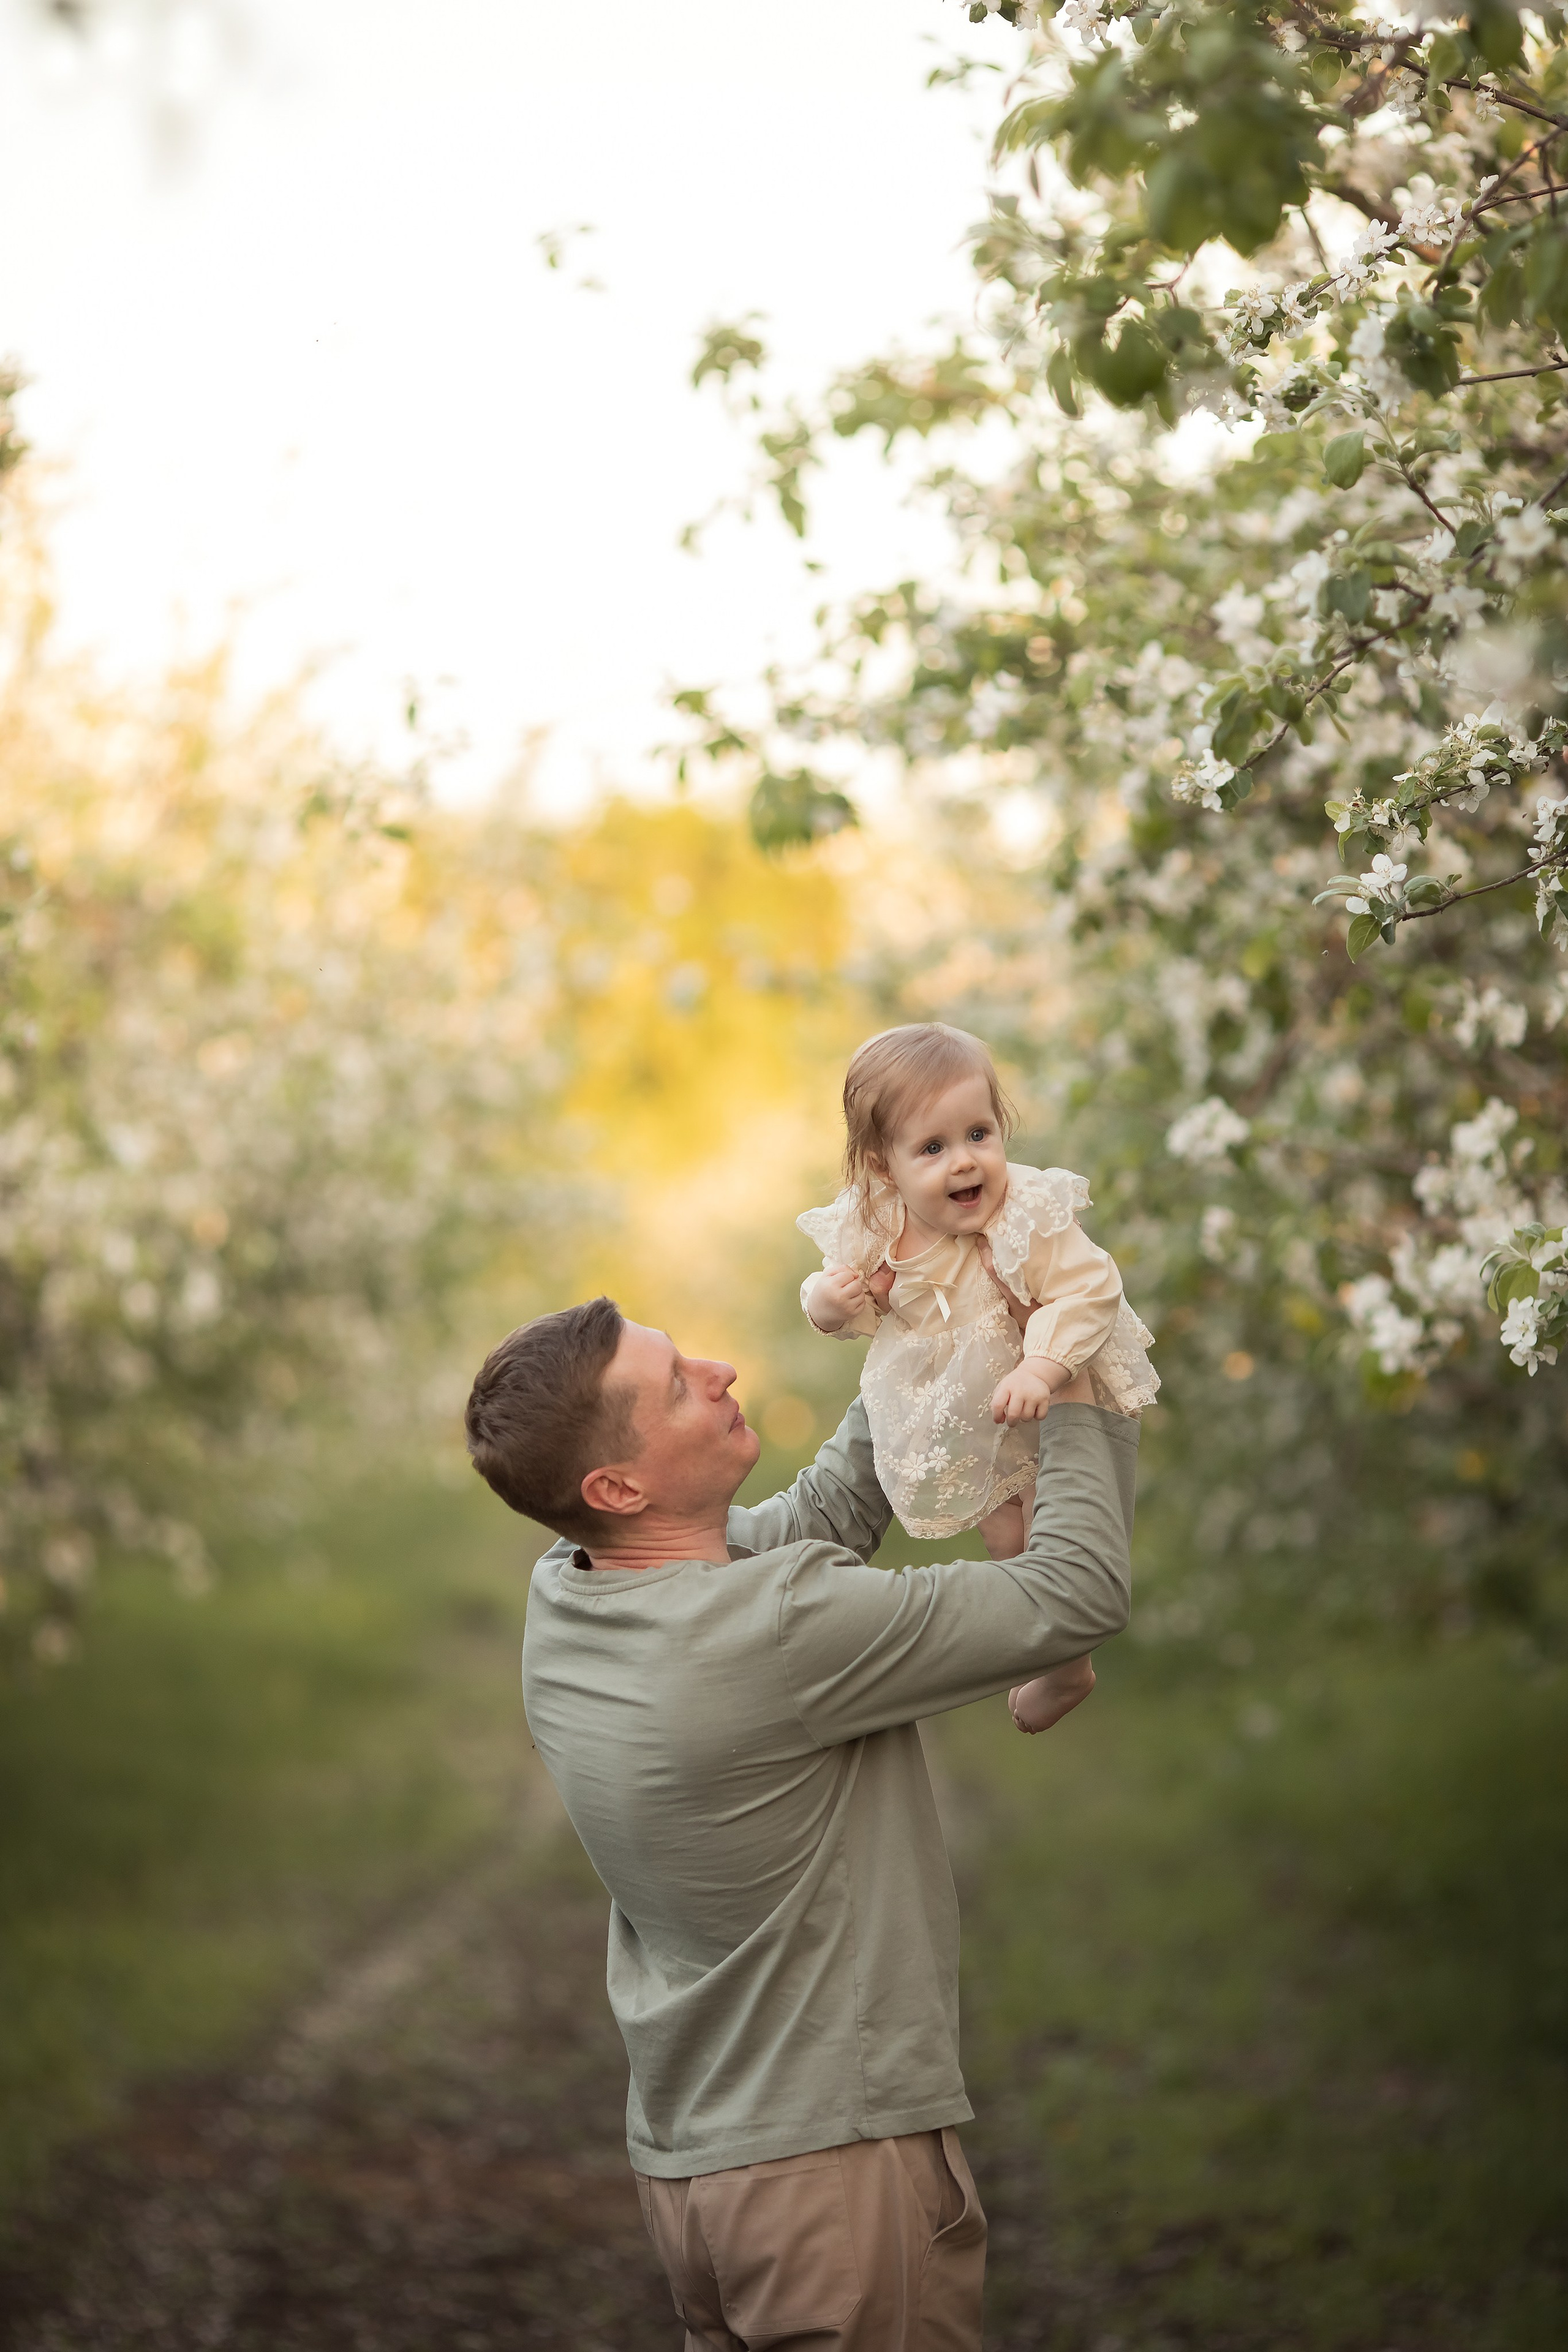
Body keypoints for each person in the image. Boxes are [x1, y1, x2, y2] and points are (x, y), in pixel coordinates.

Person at [464, 1290, 1137, 2351]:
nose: (720, 1371)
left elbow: (825, 1511)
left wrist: (937, 1316)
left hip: (701, 2178)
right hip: (834, 2182)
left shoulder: (571, 1597)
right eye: (678, 1386)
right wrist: (1086, 1369)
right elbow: (1076, 1591)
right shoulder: (773, 1632)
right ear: (618, 1486)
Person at [797, 1022, 1156, 1733]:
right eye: (932, 1148)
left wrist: (1043, 1366)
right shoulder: (879, 1221)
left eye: (978, 1134)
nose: (964, 1162)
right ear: (883, 1166)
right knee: (1003, 1540)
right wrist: (827, 1305)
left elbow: (1090, 1289)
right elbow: (845, 1298)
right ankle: (1046, 1656)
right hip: (968, 1407)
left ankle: (1068, 1665)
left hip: (1049, 1390)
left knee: (1063, 1529)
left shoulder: (1026, 1211)